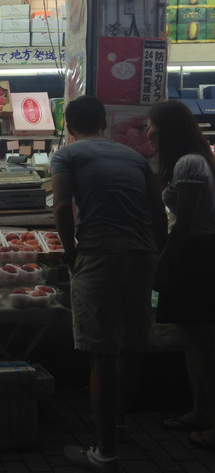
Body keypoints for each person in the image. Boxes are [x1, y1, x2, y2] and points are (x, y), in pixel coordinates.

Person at [51, 96, 167, 472]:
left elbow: (61, 205)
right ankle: (118, 424)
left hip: (101, 255)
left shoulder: (68, 155)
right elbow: (156, 211)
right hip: (142, 254)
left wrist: (70, 252)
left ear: (68, 126)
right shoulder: (133, 157)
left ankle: (104, 451)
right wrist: (156, 253)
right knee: (131, 346)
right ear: (103, 122)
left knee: (100, 352)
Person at [147, 100, 215, 449]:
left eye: (152, 125)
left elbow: (185, 222)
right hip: (193, 251)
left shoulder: (189, 163)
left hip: (197, 254)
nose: (148, 132)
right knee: (191, 339)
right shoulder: (191, 161)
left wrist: (164, 260)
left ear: (168, 128)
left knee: (204, 343)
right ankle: (199, 411)